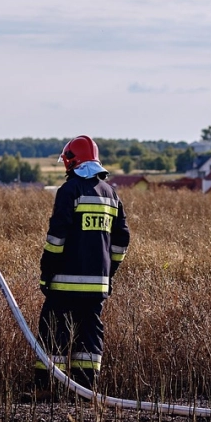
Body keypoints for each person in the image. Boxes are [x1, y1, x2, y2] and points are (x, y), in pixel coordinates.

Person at [34, 135, 130, 395]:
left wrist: (47, 273)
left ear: (72, 161)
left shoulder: (70, 190)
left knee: (54, 327)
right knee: (89, 332)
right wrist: (109, 273)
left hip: (65, 281)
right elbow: (122, 240)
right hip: (97, 284)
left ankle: (49, 387)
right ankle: (84, 388)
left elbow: (56, 238)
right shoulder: (110, 193)